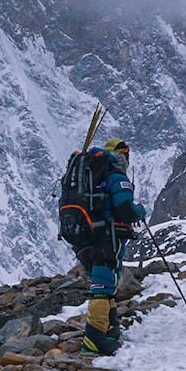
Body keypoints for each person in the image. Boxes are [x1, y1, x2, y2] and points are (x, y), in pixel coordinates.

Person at [65, 138, 146, 355]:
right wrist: (140, 211)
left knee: (105, 283)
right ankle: (94, 338)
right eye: (127, 155)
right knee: (102, 286)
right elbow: (126, 211)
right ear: (123, 156)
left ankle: (110, 330)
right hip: (107, 238)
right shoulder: (115, 177)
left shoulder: (89, 176)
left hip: (83, 238)